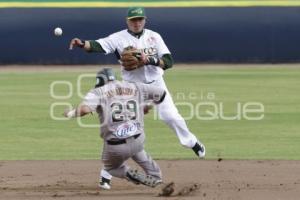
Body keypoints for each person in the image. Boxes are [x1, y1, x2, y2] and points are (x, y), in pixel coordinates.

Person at [69, 7, 205, 159]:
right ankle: (110, 167)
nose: (137, 22)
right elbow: (98, 45)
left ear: (145, 20)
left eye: (140, 19)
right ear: (127, 21)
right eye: (133, 20)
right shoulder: (118, 38)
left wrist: (150, 60)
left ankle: (192, 142)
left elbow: (169, 62)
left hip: (156, 84)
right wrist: (82, 43)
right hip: (132, 88)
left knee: (171, 116)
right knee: (122, 126)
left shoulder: (154, 37)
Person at [64, 68, 166, 190]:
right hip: (138, 139)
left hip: (115, 147)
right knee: (137, 150)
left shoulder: (98, 92)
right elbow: (161, 94)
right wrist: (148, 106)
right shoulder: (135, 86)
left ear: (99, 80)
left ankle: (128, 173)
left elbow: (85, 110)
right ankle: (156, 176)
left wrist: (70, 113)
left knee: (111, 168)